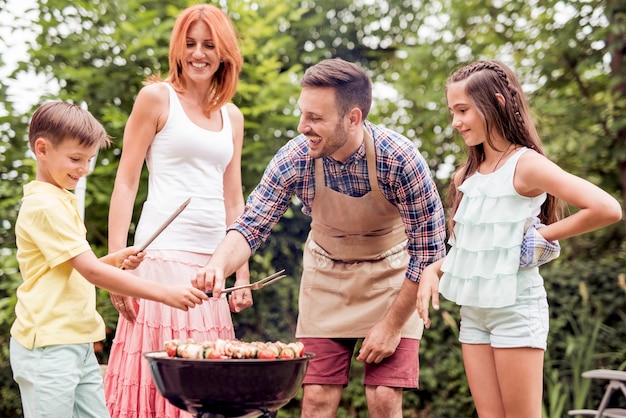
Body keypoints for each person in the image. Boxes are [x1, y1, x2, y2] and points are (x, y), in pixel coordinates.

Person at [192, 57, 448, 418]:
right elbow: (252, 225)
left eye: (315, 118)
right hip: (327, 277)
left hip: (393, 278)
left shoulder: (400, 159)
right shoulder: (294, 159)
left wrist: (391, 326)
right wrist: (218, 265)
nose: (302, 127)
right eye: (303, 114)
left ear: (353, 118)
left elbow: (429, 252)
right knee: (316, 399)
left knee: (384, 396)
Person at [416, 59, 623, 418]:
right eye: (453, 111)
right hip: (474, 314)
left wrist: (541, 235)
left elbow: (606, 208)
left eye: (463, 110)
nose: (456, 122)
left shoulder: (526, 164)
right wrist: (433, 270)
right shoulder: (467, 173)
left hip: (515, 309)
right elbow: (474, 250)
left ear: (495, 103)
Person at [9, 101, 208, 418]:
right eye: (76, 159)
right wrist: (165, 293)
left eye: (89, 159)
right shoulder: (44, 206)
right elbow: (90, 272)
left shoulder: (61, 199)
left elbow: (70, 270)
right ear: (42, 149)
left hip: (77, 340)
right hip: (48, 346)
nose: (84, 168)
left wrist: (115, 259)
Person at [103, 4, 251, 417]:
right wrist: (117, 265)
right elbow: (126, 182)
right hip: (160, 260)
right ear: (177, 49)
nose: (198, 54)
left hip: (212, 271)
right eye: (189, 44)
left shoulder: (232, 117)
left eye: (208, 44)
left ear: (224, 52)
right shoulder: (156, 98)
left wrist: (240, 271)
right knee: (156, 384)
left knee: (208, 385)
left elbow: (233, 199)